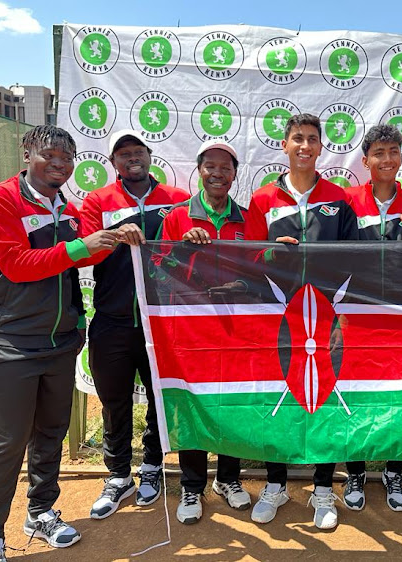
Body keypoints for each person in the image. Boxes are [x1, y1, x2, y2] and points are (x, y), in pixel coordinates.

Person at [0, 125, 119, 562]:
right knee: (7, 442)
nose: (60, 164)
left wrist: (120, 236)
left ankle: (40, 511)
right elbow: (16, 265)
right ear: (27, 153)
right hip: (10, 341)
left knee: (51, 433)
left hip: (59, 341)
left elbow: (86, 252)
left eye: (67, 158)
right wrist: (80, 247)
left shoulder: (67, 208)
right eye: (51, 155)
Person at [245, 113, 358, 530]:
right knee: (282, 394)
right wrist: (270, 253)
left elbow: (353, 257)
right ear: (285, 145)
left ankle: (324, 488)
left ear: (321, 147)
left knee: (324, 396)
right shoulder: (262, 199)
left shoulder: (340, 198)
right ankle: (275, 485)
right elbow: (250, 258)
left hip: (326, 316)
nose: (305, 146)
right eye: (297, 138)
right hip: (279, 316)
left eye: (312, 139)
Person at [79, 130, 188, 520]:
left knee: (161, 400)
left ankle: (153, 467)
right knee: (114, 401)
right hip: (113, 319)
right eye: (123, 155)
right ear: (114, 163)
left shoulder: (176, 200)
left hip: (162, 320)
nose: (132, 159)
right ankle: (118, 474)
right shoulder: (98, 200)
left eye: (138, 152)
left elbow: (191, 254)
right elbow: (80, 251)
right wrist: (112, 236)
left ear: (149, 155)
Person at [159, 140, 252, 524]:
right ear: (200, 170)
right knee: (193, 405)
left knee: (232, 403)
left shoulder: (248, 218)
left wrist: (246, 283)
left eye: (226, 168)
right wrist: (182, 250)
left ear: (235, 174)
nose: (218, 174)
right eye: (210, 166)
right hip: (192, 331)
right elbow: (158, 273)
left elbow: (261, 271)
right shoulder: (177, 217)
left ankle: (228, 479)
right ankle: (193, 486)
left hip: (235, 329)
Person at [341, 124, 402, 513]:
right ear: (365, 161)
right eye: (379, 152)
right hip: (356, 319)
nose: (387, 159)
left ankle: (395, 471)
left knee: (398, 396)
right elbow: (334, 257)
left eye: (393, 151)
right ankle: (356, 471)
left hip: (401, 319)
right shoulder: (346, 202)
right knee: (357, 396)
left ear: (400, 157)